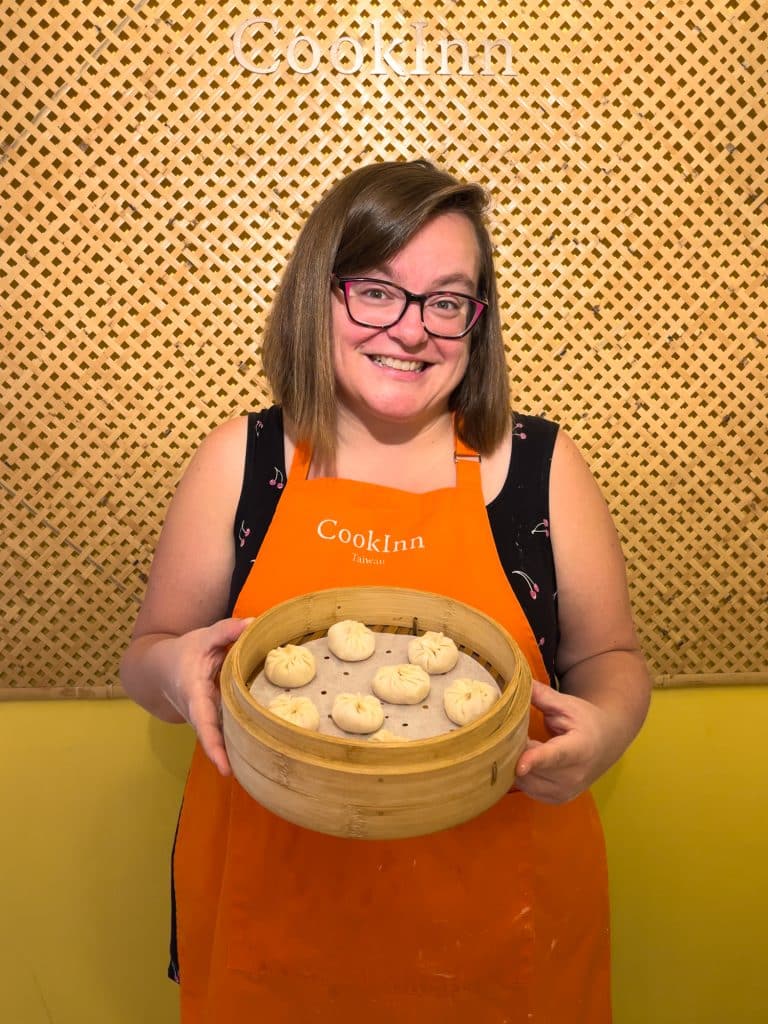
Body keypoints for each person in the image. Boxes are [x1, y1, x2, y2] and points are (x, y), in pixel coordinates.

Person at [120, 159, 651, 1023]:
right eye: (376, 290)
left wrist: (608, 732)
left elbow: (610, 658)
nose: (412, 330)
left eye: (446, 300)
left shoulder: (544, 468)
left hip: (501, 926)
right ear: (317, 296)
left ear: (476, 322)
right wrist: (177, 670)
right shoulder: (240, 461)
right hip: (277, 922)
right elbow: (144, 659)